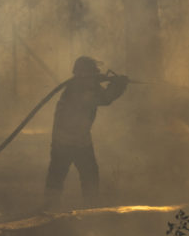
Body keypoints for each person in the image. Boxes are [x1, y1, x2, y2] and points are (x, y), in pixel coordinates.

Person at [44, 56, 128, 209]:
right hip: (68, 141)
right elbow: (105, 99)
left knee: (85, 174)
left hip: (77, 140)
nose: (95, 76)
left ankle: (89, 208)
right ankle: (51, 209)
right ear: (83, 73)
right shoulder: (78, 90)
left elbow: (101, 96)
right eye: (92, 73)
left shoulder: (84, 87)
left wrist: (114, 85)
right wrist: (118, 86)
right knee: (62, 174)